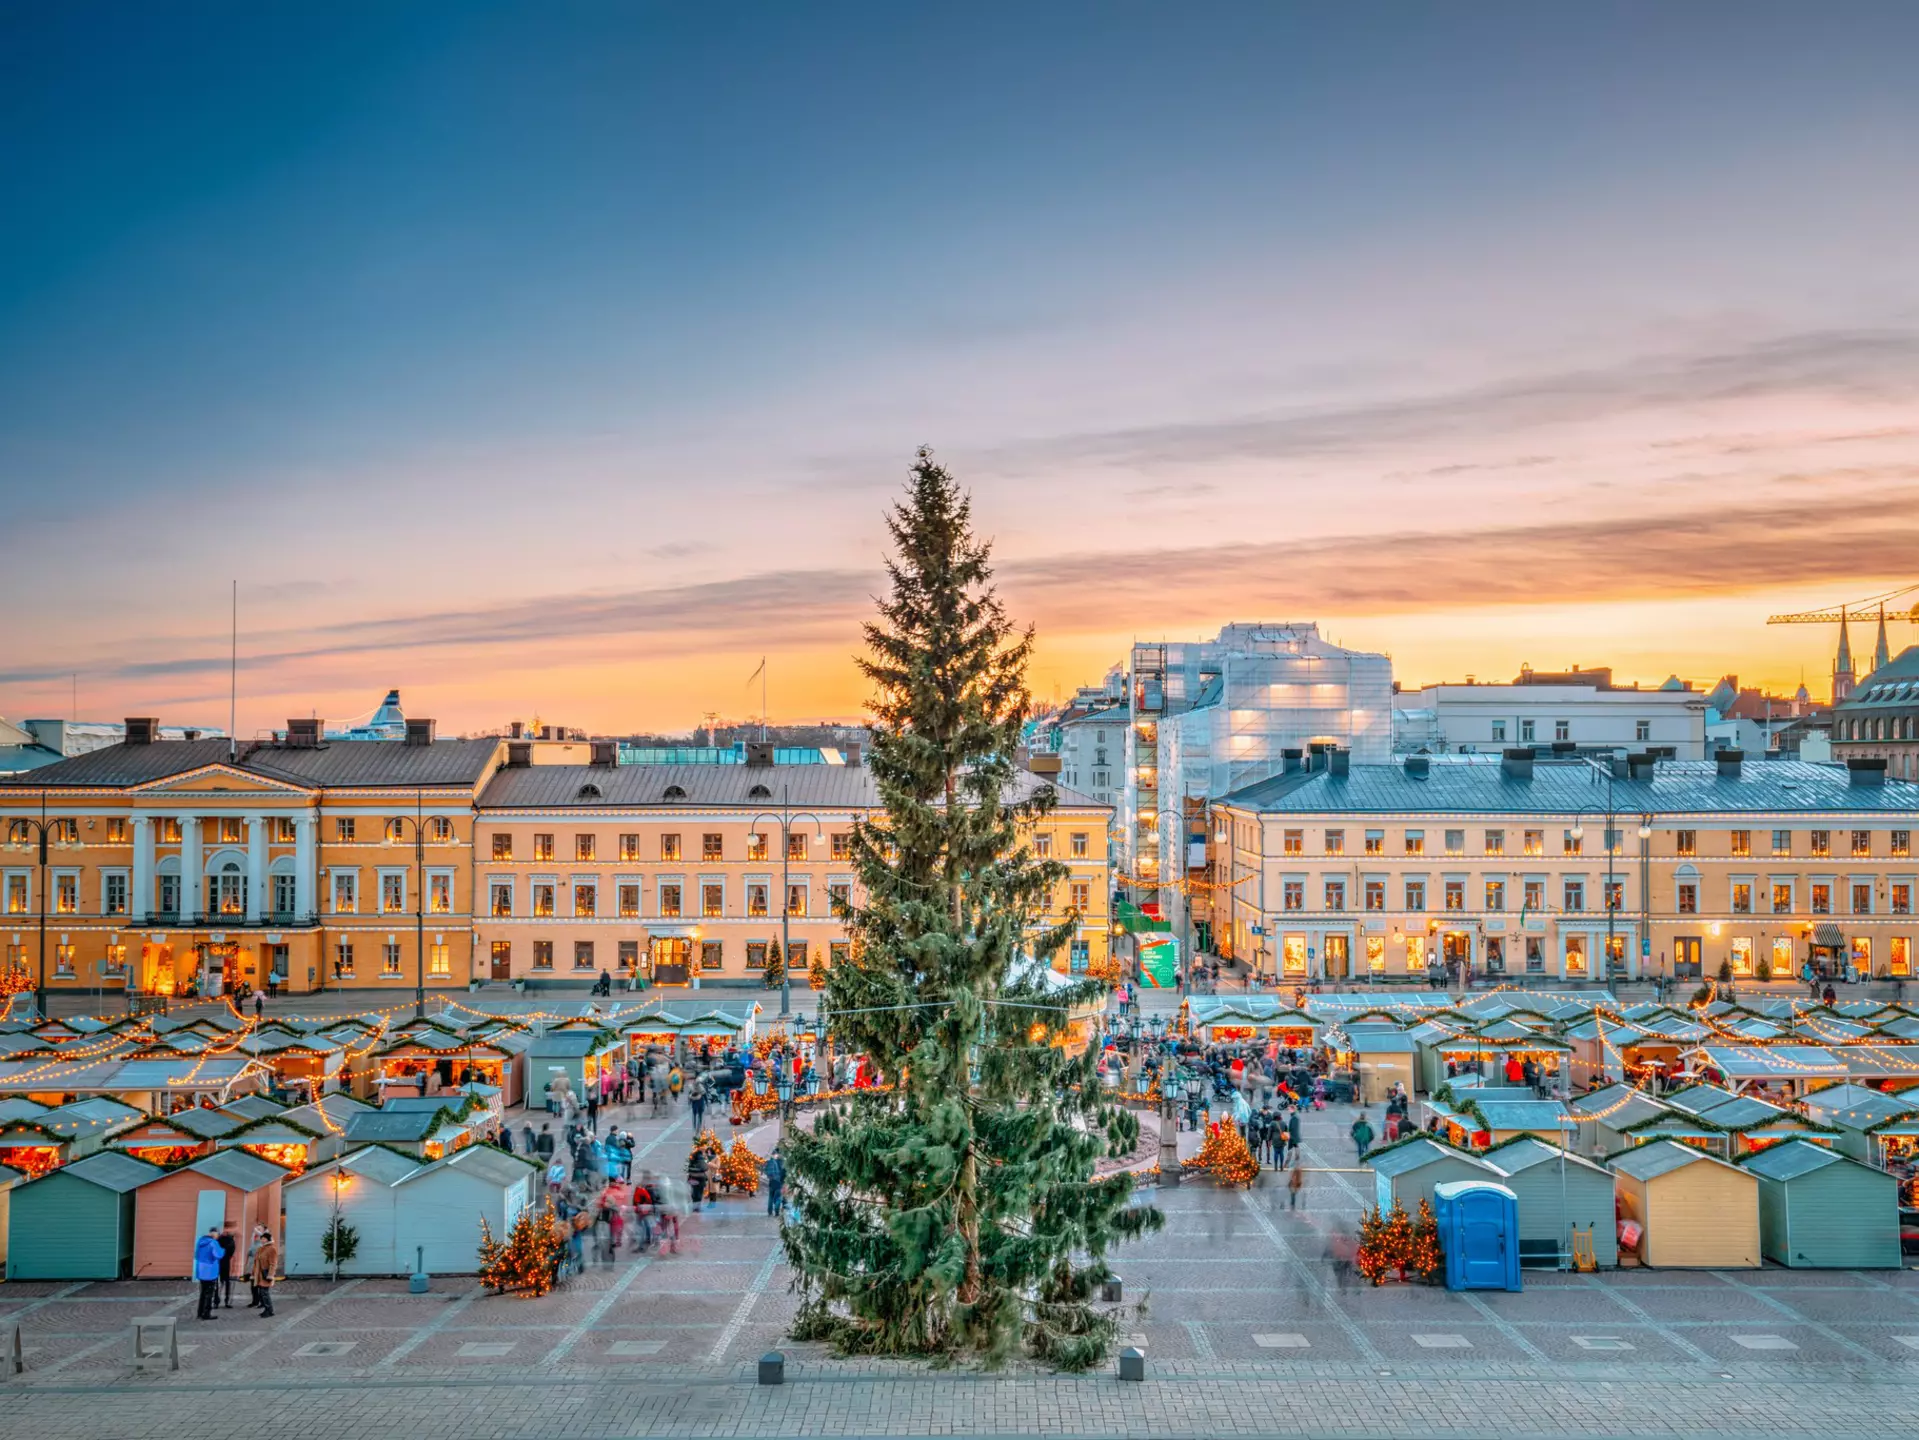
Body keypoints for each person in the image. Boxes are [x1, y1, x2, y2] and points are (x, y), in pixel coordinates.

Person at [194, 1226, 224, 1320]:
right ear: (216, 1234)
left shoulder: (200, 1241)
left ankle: (200, 1313)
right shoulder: (213, 1243)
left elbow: (196, 1255)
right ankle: (206, 1314)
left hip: (201, 1270)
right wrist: (223, 1250)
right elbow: (218, 1255)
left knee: (203, 1293)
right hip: (210, 1271)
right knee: (209, 1294)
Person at [252, 1231, 279, 1318]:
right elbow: (256, 1262)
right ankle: (266, 1309)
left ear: (268, 1239)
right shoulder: (260, 1249)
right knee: (262, 1293)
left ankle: (269, 1310)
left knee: (265, 1293)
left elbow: (273, 1263)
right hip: (259, 1275)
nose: (262, 1240)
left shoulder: (271, 1249)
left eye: (264, 1238)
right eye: (261, 1238)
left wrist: (270, 1275)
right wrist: (253, 1274)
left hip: (266, 1274)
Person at [217, 1222, 239, 1308]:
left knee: (224, 1283)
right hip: (223, 1262)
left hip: (224, 1262)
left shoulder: (226, 1239)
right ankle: (219, 1301)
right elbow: (231, 1250)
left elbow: (231, 1250)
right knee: (221, 1283)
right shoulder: (225, 1239)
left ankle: (225, 1301)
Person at [764, 1147, 786, 1216]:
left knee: (770, 1196)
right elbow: (784, 1172)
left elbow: (766, 1170)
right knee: (779, 1197)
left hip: (772, 1182)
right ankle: (776, 1211)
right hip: (779, 1182)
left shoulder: (771, 1161)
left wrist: (770, 1177)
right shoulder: (782, 1162)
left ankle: (769, 1211)